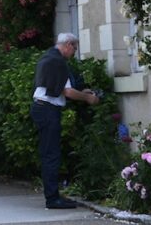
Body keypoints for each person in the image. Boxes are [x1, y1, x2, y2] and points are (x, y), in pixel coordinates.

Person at [30, 33, 99, 209]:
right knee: (51, 155)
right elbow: (66, 92)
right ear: (68, 45)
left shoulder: (48, 57)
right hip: (48, 110)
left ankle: (53, 196)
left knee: (49, 153)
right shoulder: (57, 61)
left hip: (41, 108)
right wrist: (87, 98)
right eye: (74, 49)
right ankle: (52, 199)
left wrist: (82, 91)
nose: (74, 53)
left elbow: (57, 87)